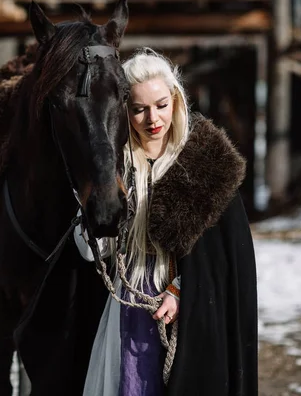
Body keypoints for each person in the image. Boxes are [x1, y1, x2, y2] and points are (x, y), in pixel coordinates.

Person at [83, 48, 258, 395]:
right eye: (139, 109)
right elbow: (93, 253)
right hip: (127, 306)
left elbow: (220, 263)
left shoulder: (203, 165)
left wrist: (181, 290)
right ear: (124, 111)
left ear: (176, 99)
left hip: (189, 309)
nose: (153, 119)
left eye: (161, 104)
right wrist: (96, 213)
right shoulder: (114, 168)